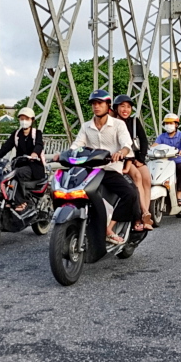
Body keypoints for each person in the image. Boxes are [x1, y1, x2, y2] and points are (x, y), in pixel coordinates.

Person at [64, 90, 141, 246]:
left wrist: (121, 152)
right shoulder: (86, 126)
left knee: (130, 194)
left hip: (110, 169)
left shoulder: (118, 125)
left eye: (100, 103)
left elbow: (127, 144)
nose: (96, 106)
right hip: (89, 171)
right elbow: (77, 145)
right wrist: (64, 154)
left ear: (108, 105)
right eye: (94, 104)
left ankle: (109, 229)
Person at [0, 107, 46, 212]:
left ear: (32, 120)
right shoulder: (16, 134)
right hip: (19, 163)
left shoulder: (36, 133)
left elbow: (39, 145)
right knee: (5, 175)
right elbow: (6, 147)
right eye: (21, 119)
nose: (24, 121)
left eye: (26, 118)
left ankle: (21, 202)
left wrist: (34, 154)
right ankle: (7, 200)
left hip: (34, 166)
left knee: (18, 173)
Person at [112, 94, 152, 230]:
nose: (125, 109)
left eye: (128, 107)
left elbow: (144, 140)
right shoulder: (112, 123)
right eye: (122, 106)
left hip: (135, 157)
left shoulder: (134, 122)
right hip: (121, 159)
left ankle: (146, 213)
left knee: (147, 178)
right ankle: (142, 213)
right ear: (116, 108)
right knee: (137, 177)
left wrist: (140, 159)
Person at [154, 113, 181, 204]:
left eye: (171, 123)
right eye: (166, 123)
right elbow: (154, 146)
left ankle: (179, 195)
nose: (168, 125)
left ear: (176, 124)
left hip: (177, 161)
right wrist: (149, 150)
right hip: (164, 162)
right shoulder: (161, 136)